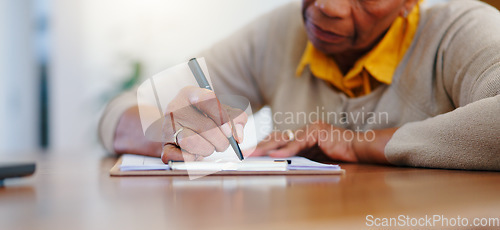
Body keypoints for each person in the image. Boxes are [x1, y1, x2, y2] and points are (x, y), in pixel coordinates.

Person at [99, 0, 500, 170]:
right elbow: (118, 113)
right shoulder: (279, 32)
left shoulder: (459, 30)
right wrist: (171, 126)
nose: (327, 7)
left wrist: (354, 143)